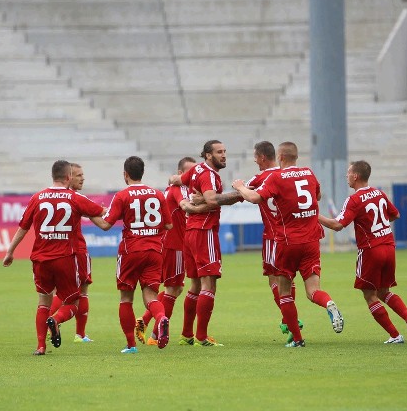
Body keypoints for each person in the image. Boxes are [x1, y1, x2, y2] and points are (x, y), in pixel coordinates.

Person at [232, 141, 344, 348]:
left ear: (281, 157)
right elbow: (316, 196)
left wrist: (239, 186)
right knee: (313, 290)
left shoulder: (275, 177)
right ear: (296, 156)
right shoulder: (309, 173)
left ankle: (298, 339)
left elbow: (255, 197)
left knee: (284, 290)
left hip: (288, 241)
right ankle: (328, 303)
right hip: (311, 240)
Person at [318, 160, 407, 344]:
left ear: (356, 176)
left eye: (348, 173)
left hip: (371, 250)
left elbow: (338, 225)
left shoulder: (354, 199)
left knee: (369, 295)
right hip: (389, 247)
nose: (347, 176)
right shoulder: (379, 193)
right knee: (383, 291)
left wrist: (315, 216)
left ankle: (395, 335)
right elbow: (395, 214)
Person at [89, 156, 172, 354]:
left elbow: (105, 225)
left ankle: (131, 345)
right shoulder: (157, 194)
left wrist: (87, 212)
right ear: (142, 172)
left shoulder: (122, 196)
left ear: (125, 174)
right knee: (151, 295)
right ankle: (161, 319)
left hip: (131, 251)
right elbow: (169, 225)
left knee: (126, 298)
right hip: (155, 251)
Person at [2, 160, 81, 356]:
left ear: (52, 176)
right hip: (64, 258)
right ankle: (56, 320)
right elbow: (99, 214)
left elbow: (23, 227)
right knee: (73, 303)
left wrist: (10, 251)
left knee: (43, 302)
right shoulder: (73, 197)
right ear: (68, 177)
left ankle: (40, 346)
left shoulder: (37, 198)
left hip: (41, 259)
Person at [176, 140, 242, 347]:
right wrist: (239, 194)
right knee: (209, 284)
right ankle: (202, 337)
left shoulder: (195, 170)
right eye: (219, 152)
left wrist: (188, 204)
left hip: (191, 231)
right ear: (207, 155)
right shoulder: (209, 175)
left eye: (225, 151)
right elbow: (213, 201)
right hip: (204, 231)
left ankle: (186, 334)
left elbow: (175, 180)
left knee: (195, 284)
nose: (223, 155)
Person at [136, 156, 197, 346]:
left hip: (175, 244)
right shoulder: (179, 189)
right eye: (189, 172)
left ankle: (144, 321)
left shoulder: (180, 188)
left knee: (177, 288)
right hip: (174, 245)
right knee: (172, 289)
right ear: (180, 174)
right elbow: (185, 205)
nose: (193, 176)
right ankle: (155, 337)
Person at [45, 163, 106, 343]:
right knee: (82, 291)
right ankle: (79, 334)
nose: (82, 178)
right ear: (68, 178)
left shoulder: (52, 197)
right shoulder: (76, 197)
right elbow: (101, 219)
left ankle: (48, 322)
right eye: (78, 175)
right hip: (76, 250)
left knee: (61, 293)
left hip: (55, 251)